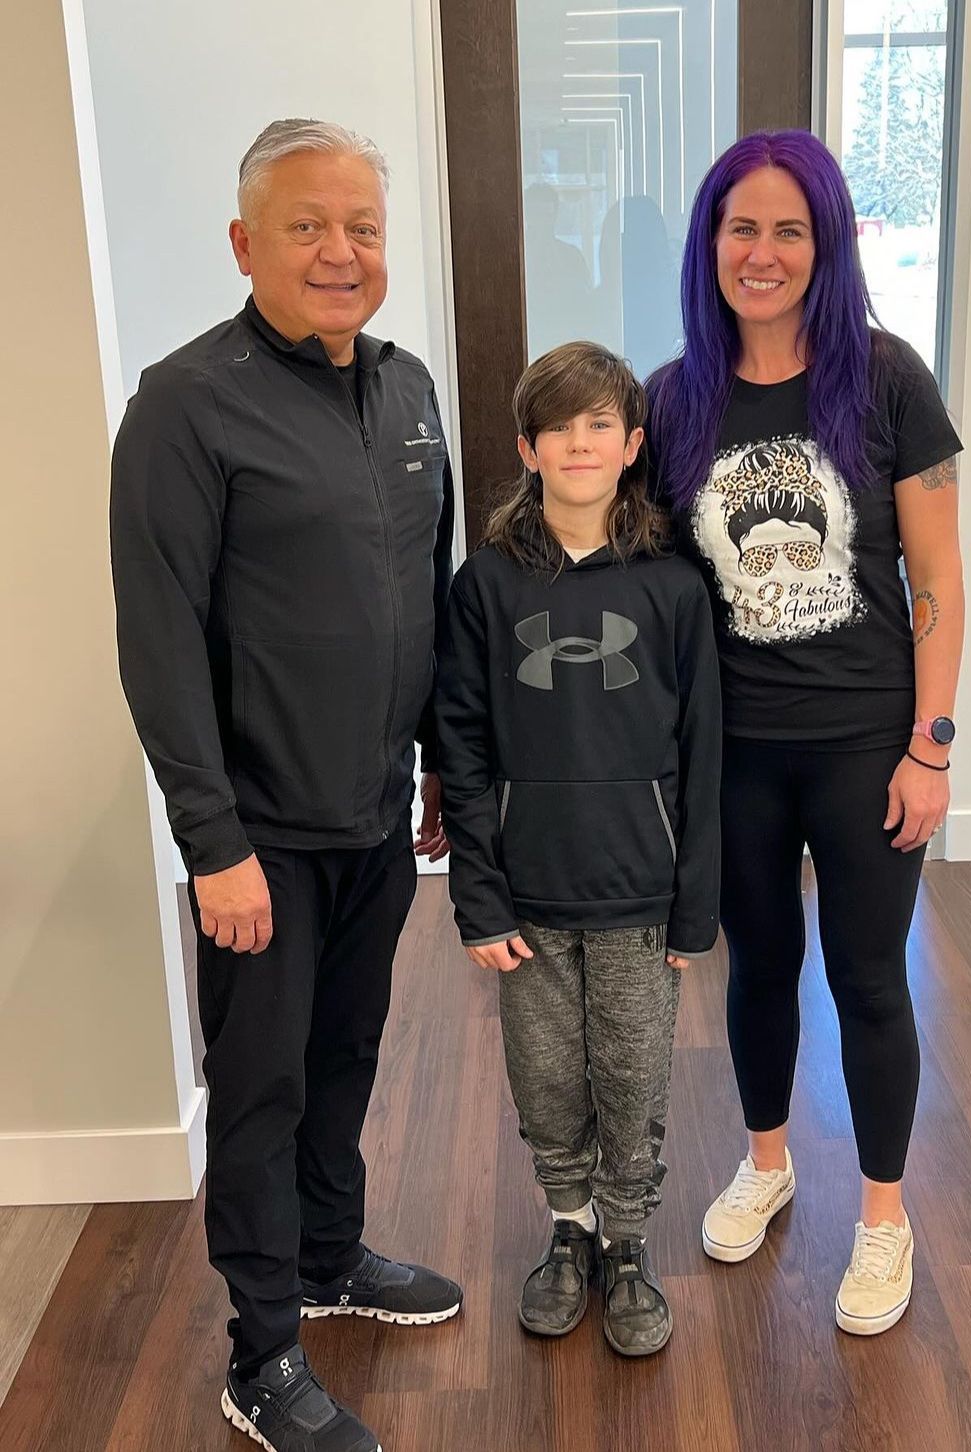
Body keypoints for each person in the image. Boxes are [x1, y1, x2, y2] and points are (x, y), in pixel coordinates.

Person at [110, 119, 462, 1452]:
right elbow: (157, 639)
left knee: (346, 1056)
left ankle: (329, 1255)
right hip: (259, 832)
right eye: (308, 225)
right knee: (257, 1088)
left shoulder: (408, 387)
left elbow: (419, 597)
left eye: (363, 227)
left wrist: (434, 757)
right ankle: (260, 1354)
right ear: (245, 242)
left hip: (377, 811)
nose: (340, 251)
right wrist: (212, 843)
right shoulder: (185, 405)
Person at [646, 130, 964, 1337]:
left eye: (791, 229)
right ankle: (768, 1160)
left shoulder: (887, 381)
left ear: (825, 244)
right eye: (742, 228)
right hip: (737, 754)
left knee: (870, 978)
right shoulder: (673, 400)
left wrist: (930, 745)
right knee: (760, 968)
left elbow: (939, 577)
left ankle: (884, 1218)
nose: (763, 252)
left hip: (866, 747)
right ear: (710, 245)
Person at [436, 342, 720, 1357]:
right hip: (530, 893)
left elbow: (703, 754)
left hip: (641, 893)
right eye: (560, 426)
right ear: (528, 447)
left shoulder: (674, 591)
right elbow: (459, 746)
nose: (581, 442)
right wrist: (479, 896)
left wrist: (697, 904)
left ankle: (630, 1240)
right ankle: (572, 1229)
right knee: (548, 1076)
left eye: (602, 423)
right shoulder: (487, 587)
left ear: (634, 443)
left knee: (635, 1074)